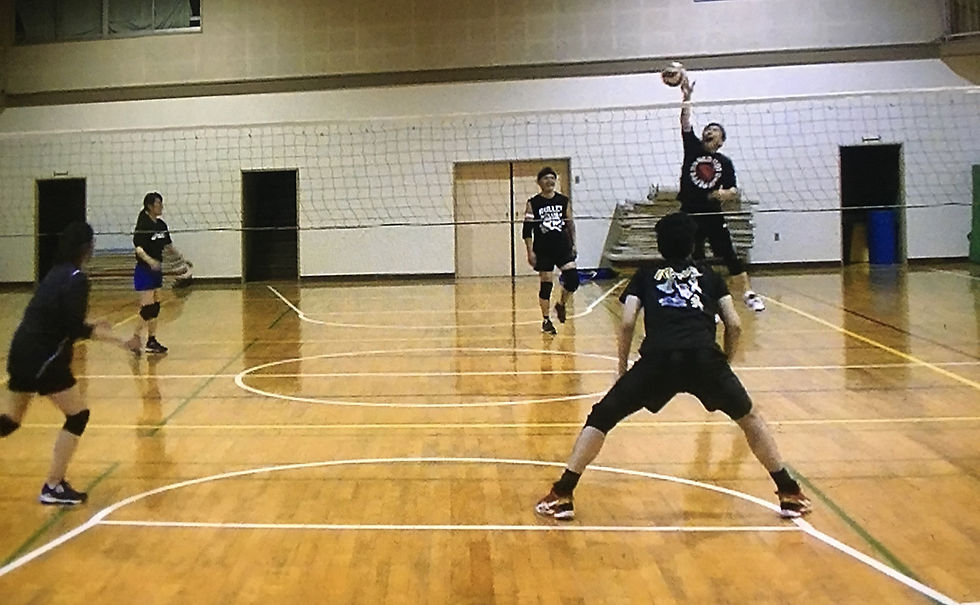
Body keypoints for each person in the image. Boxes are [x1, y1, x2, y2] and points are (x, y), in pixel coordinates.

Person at [534, 212, 811, 520]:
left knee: (602, 418)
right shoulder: (710, 276)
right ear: (692, 244)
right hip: (705, 358)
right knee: (749, 418)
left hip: (659, 359)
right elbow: (734, 324)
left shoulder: (645, 275)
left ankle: (563, 493)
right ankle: (789, 491)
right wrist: (725, 365)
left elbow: (627, 322)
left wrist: (622, 368)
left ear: (660, 245)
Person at [2, 222, 141, 505]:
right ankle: (52, 486)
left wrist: (92, 323)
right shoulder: (77, 279)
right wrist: (122, 341)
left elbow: (60, 318)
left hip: (22, 352)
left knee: (10, 422)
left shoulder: (56, 273)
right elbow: (74, 328)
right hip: (44, 358)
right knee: (78, 415)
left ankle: (54, 485)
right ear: (87, 247)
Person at [677, 76, 765, 312]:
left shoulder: (724, 162)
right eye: (707, 128)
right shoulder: (693, 148)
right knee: (692, 257)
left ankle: (748, 294)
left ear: (721, 141)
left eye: (714, 130)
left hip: (712, 214)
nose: (709, 131)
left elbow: (733, 189)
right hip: (689, 212)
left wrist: (723, 194)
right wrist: (686, 97)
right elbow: (685, 122)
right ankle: (696, 299)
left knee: (729, 254)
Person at [522, 166, 579, 335]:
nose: (549, 181)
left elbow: (570, 224)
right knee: (546, 284)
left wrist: (574, 244)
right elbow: (527, 230)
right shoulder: (533, 203)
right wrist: (530, 251)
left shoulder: (563, 201)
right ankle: (546, 320)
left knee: (573, 280)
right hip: (543, 249)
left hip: (562, 247)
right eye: (546, 178)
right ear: (539, 182)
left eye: (552, 178)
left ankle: (561, 304)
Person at [132, 191, 188, 353]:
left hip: (157, 270)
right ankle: (135, 338)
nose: (161, 206)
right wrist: (150, 261)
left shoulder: (161, 225)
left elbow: (168, 246)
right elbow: (138, 248)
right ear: (150, 206)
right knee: (148, 307)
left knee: (155, 307)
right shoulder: (143, 226)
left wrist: (181, 259)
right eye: (158, 204)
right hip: (144, 270)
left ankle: (151, 340)